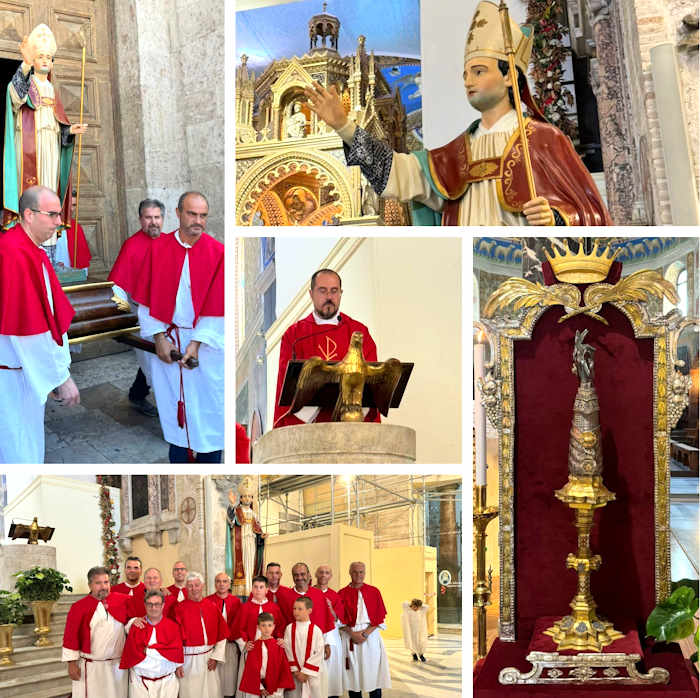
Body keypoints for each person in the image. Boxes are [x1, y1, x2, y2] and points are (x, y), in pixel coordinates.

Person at [304, 1, 611, 227]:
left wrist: (557, 217)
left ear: (508, 77)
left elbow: (591, 213)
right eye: (465, 73)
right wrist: (344, 127)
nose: (468, 81)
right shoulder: (456, 153)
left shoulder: (544, 140)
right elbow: (398, 173)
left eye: (478, 71)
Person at [132, 191, 224, 462]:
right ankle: (179, 461)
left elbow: (219, 306)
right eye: (192, 214)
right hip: (169, 342)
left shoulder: (218, 252)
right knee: (174, 411)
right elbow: (147, 301)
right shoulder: (157, 249)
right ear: (178, 213)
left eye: (203, 215)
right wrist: (159, 338)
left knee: (208, 413)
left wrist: (195, 344)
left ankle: (210, 463)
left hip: (206, 344)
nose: (198, 221)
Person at [0, 186, 79, 464]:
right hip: (13, 374)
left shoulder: (29, 249)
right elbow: (26, 329)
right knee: (18, 450)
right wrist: (61, 378)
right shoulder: (14, 254)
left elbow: (47, 314)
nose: (60, 221)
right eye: (53, 214)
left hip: (23, 370)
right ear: (29, 215)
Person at [4, 24, 87, 232]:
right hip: (29, 146)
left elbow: (58, 122)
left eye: (48, 58)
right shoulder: (27, 81)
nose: (44, 61)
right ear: (33, 60)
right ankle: (30, 228)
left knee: (49, 184)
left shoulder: (51, 88)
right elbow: (14, 97)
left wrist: (69, 131)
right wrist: (24, 64)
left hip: (51, 146)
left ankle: (48, 229)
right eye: (40, 56)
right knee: (32, 191)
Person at [273, 269, 379, 428]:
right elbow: (286, 387)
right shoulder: (294, 336)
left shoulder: (358, 332)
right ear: (311, 294)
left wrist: (350, 416)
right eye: (322, 291)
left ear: (341, 293)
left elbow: (372, 383)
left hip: (351, 426)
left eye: (334, 291)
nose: (329, 297)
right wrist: (317, 411)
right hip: (308, 427)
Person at [108, 198, 167, 417]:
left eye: (157, 217)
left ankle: (137, 393)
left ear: (163, 218)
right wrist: (126, 320)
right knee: (154, 363)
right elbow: (117, 287)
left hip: (169, 315)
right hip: (143, 317)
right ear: (140, 219)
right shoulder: (132, 246)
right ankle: (170, 418)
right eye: (148, 218)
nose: (153, 222)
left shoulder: (172, 242)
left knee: (163, 360)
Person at [61, 566, 129, 698]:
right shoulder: (79, 607)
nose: (103, 586)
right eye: (98, 583)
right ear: (90, 585)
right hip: (92, 668)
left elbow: (130, 621)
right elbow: (70, 636)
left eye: (106, 582)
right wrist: (71, 664)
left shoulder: (122, 601)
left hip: (117, 666)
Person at [338, 562, 391, 698]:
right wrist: (352, 634)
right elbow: (338, 620)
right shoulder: (342, 593)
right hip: (350, 638)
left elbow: (380, 618)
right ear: (349, 573)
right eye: (355, 572)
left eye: (361, 572)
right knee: (353, 676)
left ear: (365, 573)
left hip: (370, 636)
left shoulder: (374, 591)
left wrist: (365, 634)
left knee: (372, 673)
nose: (358, 575)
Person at [119, 589, 184, 698]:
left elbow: (175, 653)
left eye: (157, 604)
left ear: (163, 605)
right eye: (150, 604)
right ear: (145, 605)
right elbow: (132, 655)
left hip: (167, 683)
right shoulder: (136, 626)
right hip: (140, 683)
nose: (153, 608)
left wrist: (148, 650)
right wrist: (161, 650)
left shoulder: (173, 626)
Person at [174, 572, 229, 698]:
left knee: (212, 692)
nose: (194, 589)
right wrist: (177, 664)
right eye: (190, 586)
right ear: (186, 588)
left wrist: (216, 657)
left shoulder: (211, 606)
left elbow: (222, 635)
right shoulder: (179, 609)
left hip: (209, 658)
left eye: (197, 585)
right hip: (187, 660)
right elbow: (174, 639)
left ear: (203, 585)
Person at [238, 612, 295, 698]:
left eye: (269, 625)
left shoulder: (278, 645)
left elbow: (283, 669)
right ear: (258, 627)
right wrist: (260, 688)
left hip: (276, 689)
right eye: (263, 625)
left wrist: (277, 689)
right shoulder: (253, 646)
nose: (266, 628)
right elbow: (251, 669)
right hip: (257, 687)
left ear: (274, 626)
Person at [227, 476, 266, 596]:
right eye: (244, 496)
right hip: (240, 542)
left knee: (251, 563)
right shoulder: (238, 510)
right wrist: (232, 505)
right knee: (243, 562)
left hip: (251, 542)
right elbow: (231, 521)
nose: (247, 498)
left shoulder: (254, 514)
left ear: (252, 498)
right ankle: (242, 589)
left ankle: (251, 586)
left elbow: (258, 529)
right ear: (241, 498)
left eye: (249, 496)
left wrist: (262, 536)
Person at [205, 572, 242, 698]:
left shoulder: (236, 601)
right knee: (213, 680)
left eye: (224, 581)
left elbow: (239, 625)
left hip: (230, 645)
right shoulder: (207, 601)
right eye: (218, 581)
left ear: (229, 584)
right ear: (215, 584)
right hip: (212, 646)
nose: (221, 584)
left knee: (229, 680)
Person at [313, 564, 346, 698]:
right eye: (321, 572)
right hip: (314, 634)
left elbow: (340, 619)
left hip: (331, 636)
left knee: (332, 669)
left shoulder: (334, 595)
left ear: (330, 576)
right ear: (316, 575)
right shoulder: (310, 592)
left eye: (327, 573)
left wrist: (330, 607)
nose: (323, 575)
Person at [284, 597, 326, 698]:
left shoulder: (316, 630)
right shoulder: (289, 628)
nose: (295, 612)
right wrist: (296, 671)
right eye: (294, 609)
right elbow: (287, 650)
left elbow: (319, 653)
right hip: (295, 674)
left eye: (300, 609)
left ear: (309, 611)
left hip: (311, 675)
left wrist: (306, 673)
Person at [55, 190, 91, 271]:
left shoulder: (76, 227)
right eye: (68, 205)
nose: (71, 209)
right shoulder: (45, 226)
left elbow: (83, 262)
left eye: (74, 205)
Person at [401, 597, 433, 662]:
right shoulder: (407, 609)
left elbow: (426, 606)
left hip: (420, 630)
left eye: (417, 607)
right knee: (412, 642)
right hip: (410, 630)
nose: (415, 608)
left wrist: (419, 605)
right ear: (411, 605)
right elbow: (404, 603)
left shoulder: (421, 610)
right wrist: (412, 603)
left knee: (421, 641)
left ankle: (421, 654)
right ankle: (414, 654)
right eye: (414, 607)